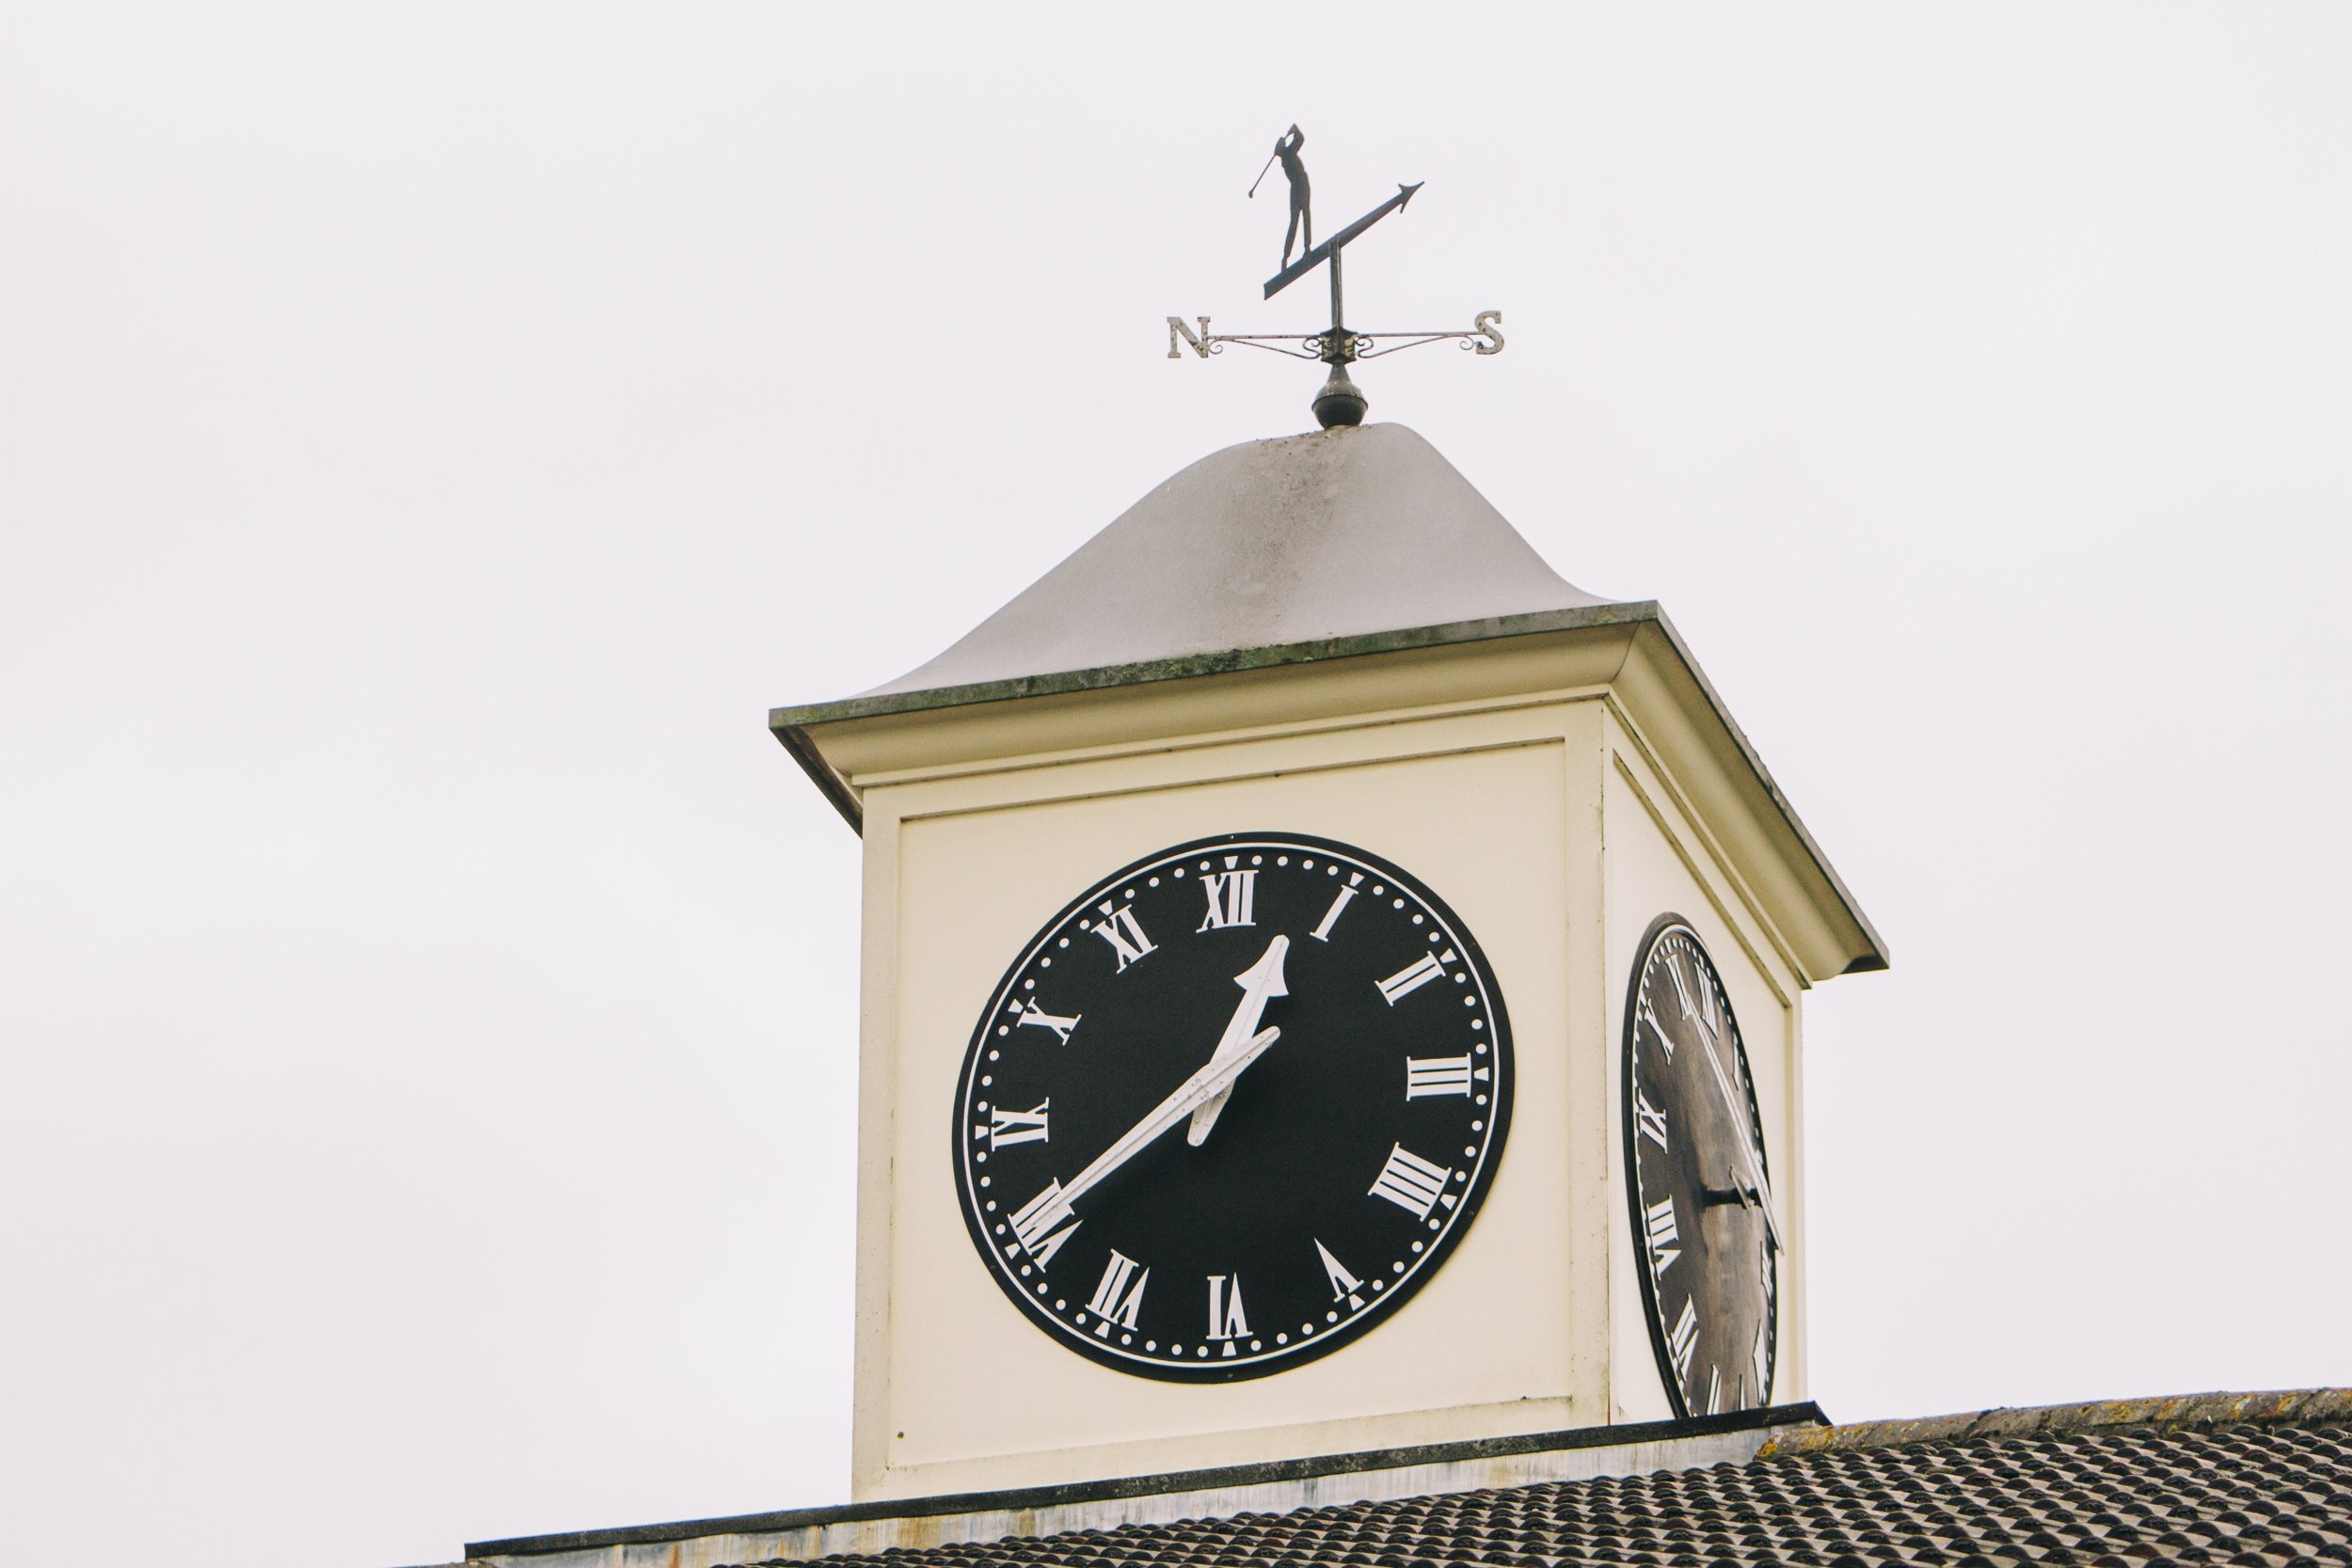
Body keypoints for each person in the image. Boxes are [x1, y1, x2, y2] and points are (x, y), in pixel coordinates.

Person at [1275, 125, 1311, 270]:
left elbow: (1300, 139)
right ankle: (1287, 255)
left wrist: (1293, 131)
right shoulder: (1287, 155)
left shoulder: (1287, 154)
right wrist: (1293, 131)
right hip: (1297, 185)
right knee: (1297, 218)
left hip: (1300, 183)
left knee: (1303, 215)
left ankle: (1305, 248)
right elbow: (1299, 139)